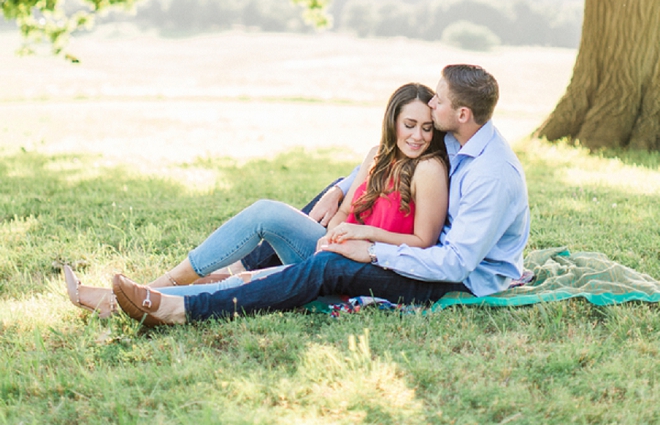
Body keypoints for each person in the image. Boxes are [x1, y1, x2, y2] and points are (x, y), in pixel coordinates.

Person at [112, 63, 531, 327]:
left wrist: (369, 250)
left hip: (454, 280)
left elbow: (454, 262)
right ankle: (174, 284)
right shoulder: (455, 139)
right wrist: (339, 190)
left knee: (327, 265)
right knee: (289, 213)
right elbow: (384, 163)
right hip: (420, 254)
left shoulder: (491, 175)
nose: (431, 104)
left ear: (461, 114)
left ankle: (180, 308)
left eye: (438, 101)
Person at [66, 82, 448, 316]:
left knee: (247, 281)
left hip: (372, 267)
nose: (417, 136)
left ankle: (127, 300)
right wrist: (337, 230)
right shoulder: (376, 155)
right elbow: (346, 210)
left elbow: (422, 242)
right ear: (392, 121)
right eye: (409, 125)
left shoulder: (429, 170)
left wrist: (362, 239)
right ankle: (153, 286)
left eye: (427, 128)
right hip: (336, 251)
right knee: (266, 211)